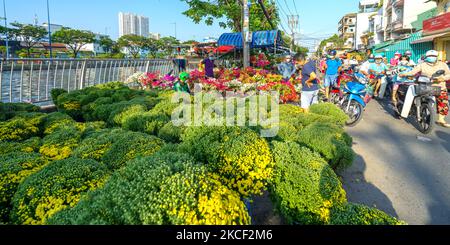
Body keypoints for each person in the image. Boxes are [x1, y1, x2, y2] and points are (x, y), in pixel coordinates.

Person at [400, 50, 450, 128]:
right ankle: (409, 111)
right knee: (413, 95)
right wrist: (404, 74)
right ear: (426, 57)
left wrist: (443, 78)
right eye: (430, 56)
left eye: (433, 56)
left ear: (437, 57)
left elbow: (448, 74)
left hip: (440, 87)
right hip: (425, 86)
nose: (432, 58)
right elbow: (413, 72)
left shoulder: (443, 65)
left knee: (443, 101)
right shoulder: (422, 65)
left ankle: (441, 119)